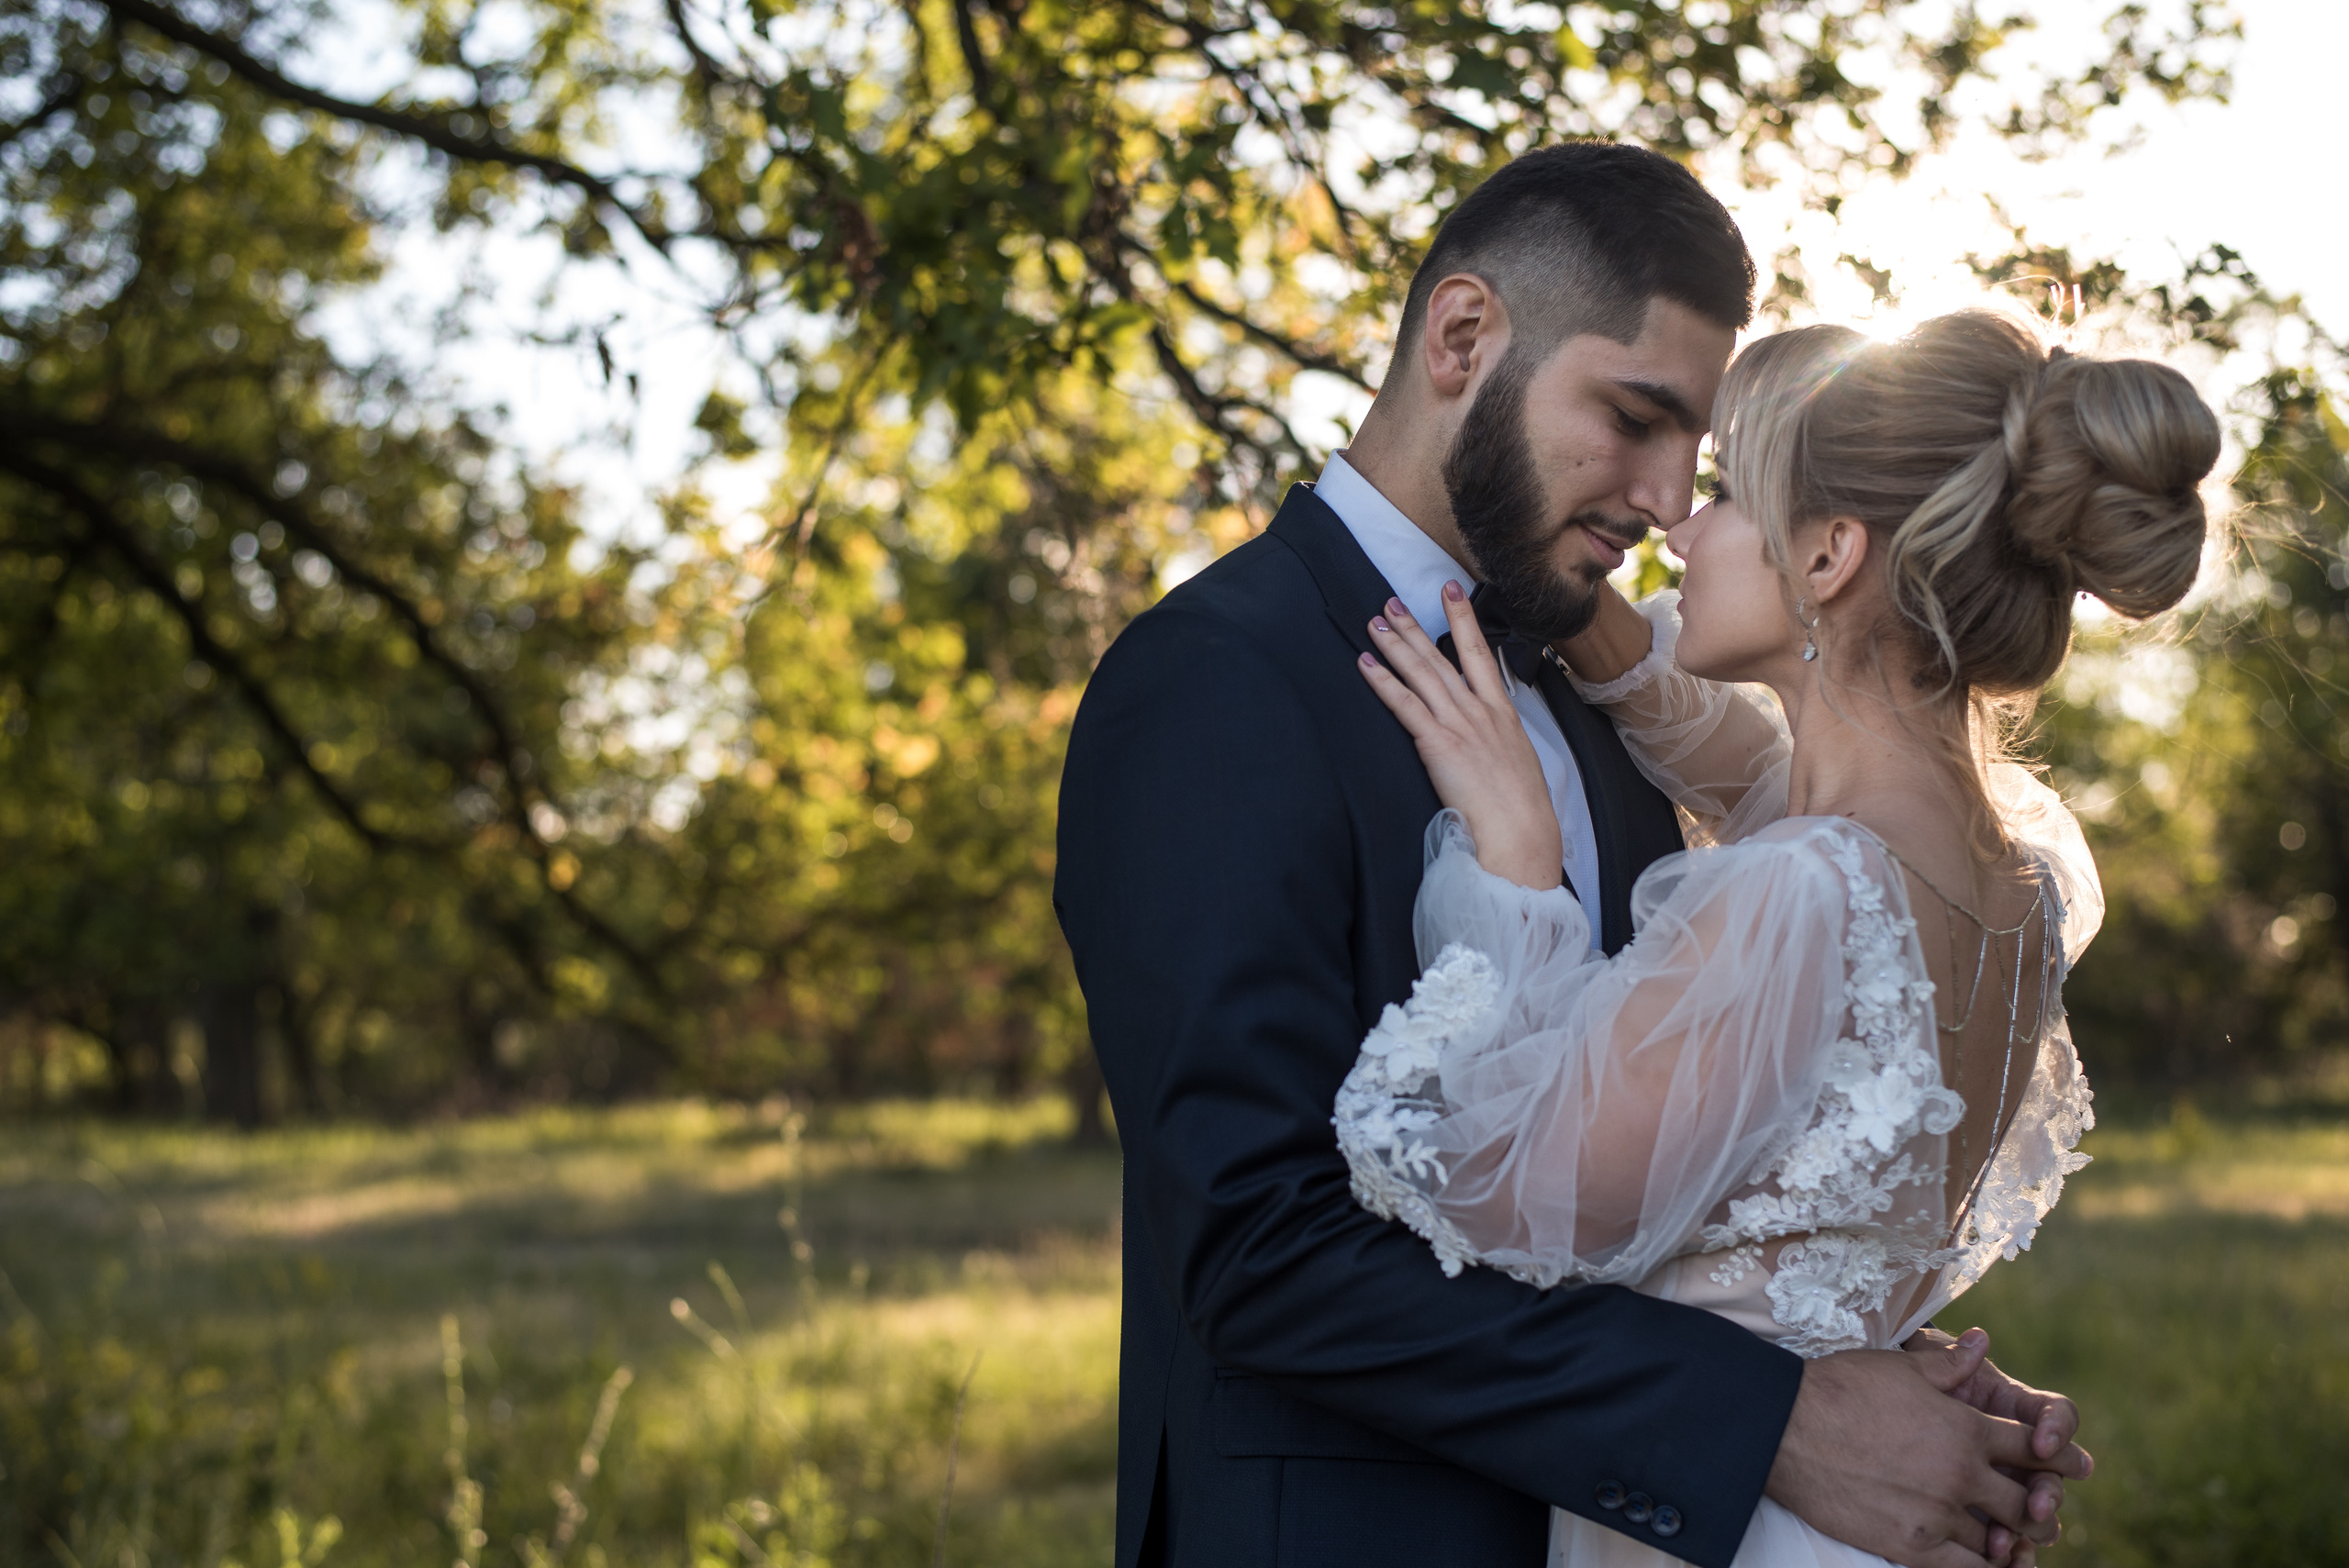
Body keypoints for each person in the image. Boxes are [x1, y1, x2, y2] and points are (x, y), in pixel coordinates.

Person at [1055, 141, 2099, 1568]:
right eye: (1635, 417)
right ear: (1465, 336)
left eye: (1709, 456)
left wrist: (1859, 1350)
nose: (1673, 501)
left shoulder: (1607, 697)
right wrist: (1777, 1417)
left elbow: (1702, 1160)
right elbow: (1257, 1254)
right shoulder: (1214, 680)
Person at [1337, 311, 2219, 1566]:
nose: (1679, 528)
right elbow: (1732, 747)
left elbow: (1493, 1197)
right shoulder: (2018, 883)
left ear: (1827, 556)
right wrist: (1580, 603)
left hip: (1742, 1524)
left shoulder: (1804, 887)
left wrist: (1520, 871)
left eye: (1730, 494)